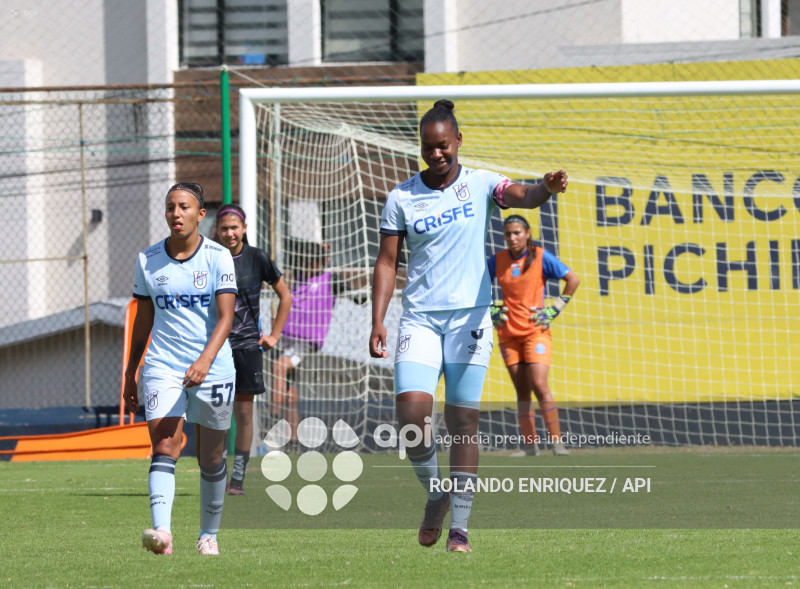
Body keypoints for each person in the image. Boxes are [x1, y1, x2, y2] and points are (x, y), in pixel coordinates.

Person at [369, 99, 568, 553]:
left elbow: (524, 196)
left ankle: (459, 527)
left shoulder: (482, 184)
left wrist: (545, 188)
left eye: (443, 146)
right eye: (428, 148)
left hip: (469, 320)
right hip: (418, 318)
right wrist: (378, 320)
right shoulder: (401, 196)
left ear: (458, 141)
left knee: (462, 422)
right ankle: (435, 492)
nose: (436, 154)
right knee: (412, 418)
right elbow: (386, 261)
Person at [123, 182, 237, 556]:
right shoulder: (147, 259)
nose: (176, 213)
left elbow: (226, 317)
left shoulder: (218, 257)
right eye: (170, 207)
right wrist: (130, 371)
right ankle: (163, 533)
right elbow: (143, 319)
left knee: (211, 457)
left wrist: (205, 359)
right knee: (165, 444)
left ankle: (208, 535)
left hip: (214, 368)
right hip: (163, 365)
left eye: (184, 207)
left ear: (200, 215)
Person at [215, 204, 292, 494]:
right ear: (218, 231)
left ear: (244, 228)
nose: (229, 233)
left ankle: (237, 479)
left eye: (234, 227)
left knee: (244, 414)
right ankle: (216, 474)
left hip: (248, 347)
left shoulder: (257, 258)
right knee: (216, 412)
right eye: (224, 228)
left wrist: (273, 335)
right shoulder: (211, 258)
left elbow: (285, 296)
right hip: (217, 348)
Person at [487, 214, 580, 457]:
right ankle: (530, 446)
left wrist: (555, 308)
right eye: (508, 234)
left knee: (539, 384)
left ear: (527, 233)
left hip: (536, 332)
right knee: (522, 389)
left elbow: (573, 279)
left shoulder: (540, 256)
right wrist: (490, 307)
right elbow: (476, 286)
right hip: (508, 334)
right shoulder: (497, 260)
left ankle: (557, 443)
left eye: (517, 232)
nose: (512, 238)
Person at [273, 239, 360, 445]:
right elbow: (292, 249)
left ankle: (271, 418)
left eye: (311, 262)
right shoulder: (299, 277)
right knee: (289, 390)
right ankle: (293, 437)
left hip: (304, 342)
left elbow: (358, 297)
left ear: (320, 263)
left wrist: (365, 297)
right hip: (287, 339)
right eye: (303, 262)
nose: (306, 267)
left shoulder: (330, 279)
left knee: (279, 367)